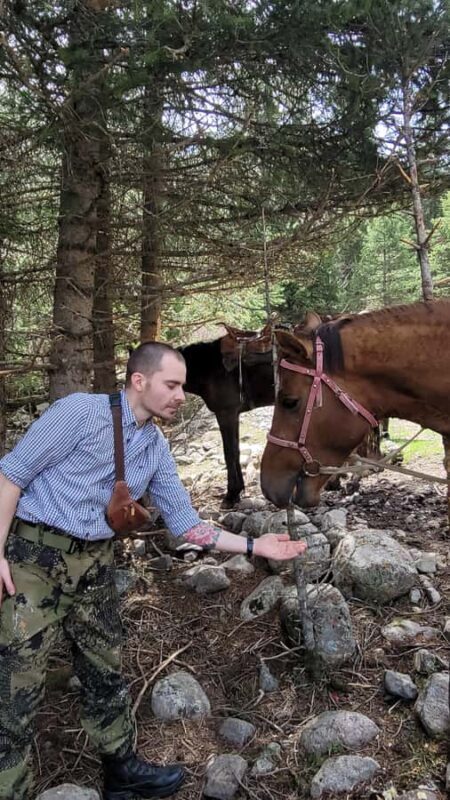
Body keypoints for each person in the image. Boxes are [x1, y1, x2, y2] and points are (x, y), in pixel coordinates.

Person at [0, 342, 307, 800]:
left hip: (97, 563)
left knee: (105, 667)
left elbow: (185, 525)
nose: (182, 395)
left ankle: (120, 770)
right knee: (16, 683)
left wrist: (252, 543)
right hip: (34, 560)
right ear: (138, 382)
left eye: (183, 385)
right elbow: (11, 475)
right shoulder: (79, 413)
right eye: (172, 385)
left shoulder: (154, 445)